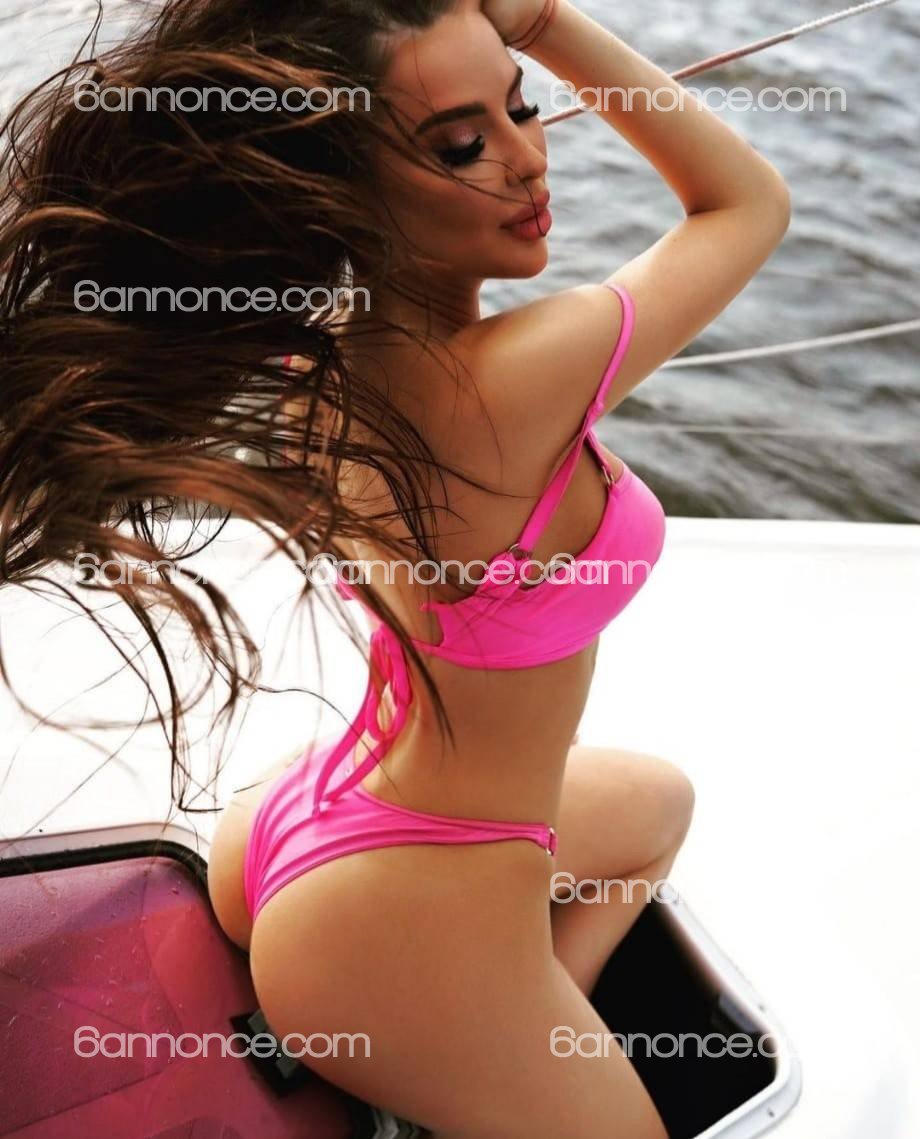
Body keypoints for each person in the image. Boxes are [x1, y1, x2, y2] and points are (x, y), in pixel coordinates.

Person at [0, 0, 790, 1135]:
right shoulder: (517, 375)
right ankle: (472, 1032)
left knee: (657, 803)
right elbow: (745, 204)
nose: (527, 159)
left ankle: (497, 1045)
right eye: (462, 145)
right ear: (346, 195)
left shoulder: (316, 361)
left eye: (521, 106)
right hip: (408, 899)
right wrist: (547, 23)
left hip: (309, 820)